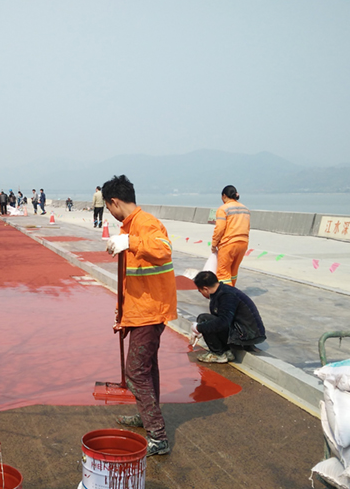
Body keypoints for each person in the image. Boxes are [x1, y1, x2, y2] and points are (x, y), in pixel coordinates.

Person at [102, 174, 176, 457]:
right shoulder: (130, 227)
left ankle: (158, 436)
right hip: (140, 309)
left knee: (135, 372)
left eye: (108, 207)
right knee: (148, 368)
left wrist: (130, 242)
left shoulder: (145, 224)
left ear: (114, 201)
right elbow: (131, 278)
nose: (109, 212)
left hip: (150, 311)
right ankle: (147, 417)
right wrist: (122, 312)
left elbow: (164, 249)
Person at [189, 270, 266, 363]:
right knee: (206, 320)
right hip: (242, 330)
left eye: (200, 291)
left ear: (205, 289)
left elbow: (223, 322)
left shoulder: (227, 295)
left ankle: (218, 354)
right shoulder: (220, 291)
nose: (201, 293)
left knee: (204, 319)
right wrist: (202, 330)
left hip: (246, 335)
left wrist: (199, 327)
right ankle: (227, 352)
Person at [211, 185, 250, 287]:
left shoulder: (223, 209)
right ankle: (232, 290)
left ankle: (227, 293)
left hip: (228, 244)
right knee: (233, 271)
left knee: (223, 272)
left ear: (224, 196)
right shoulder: (245, 209)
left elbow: (219, 228)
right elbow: (248, 227)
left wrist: (214, 244)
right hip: (243, 243)